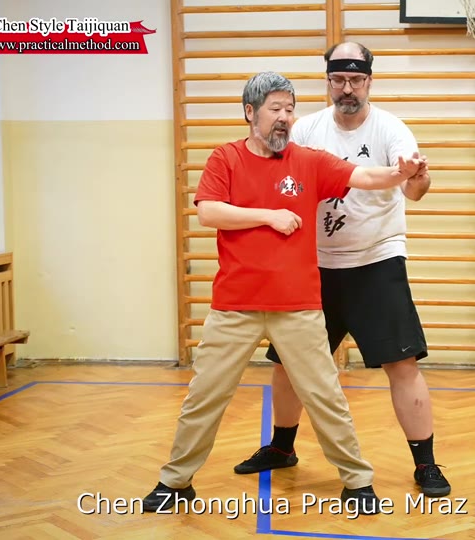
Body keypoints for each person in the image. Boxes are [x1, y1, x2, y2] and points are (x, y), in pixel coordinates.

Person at [141, 71, 427, 515]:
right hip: (235, 305)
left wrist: (399, 173)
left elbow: (365, 177)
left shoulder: (309, 161)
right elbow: (209, 212)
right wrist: (269, 216)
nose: (285, 118)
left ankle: (358, 481)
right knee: (204, 396)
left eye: (290, 110)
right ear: (250, 112)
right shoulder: (226, 158)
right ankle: (175, 481)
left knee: (325, 396)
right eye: (275, 109)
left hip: (298, 306)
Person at [233, 42, 451, 498]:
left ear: (369, 81)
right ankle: (281, 447)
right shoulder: (306, 128)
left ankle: (426, 464)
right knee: (288, 362)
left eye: (355, 80)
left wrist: (417, 176)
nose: (347, 88)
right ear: (328, 81)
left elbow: (414, 189)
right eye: (338, 80)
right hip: (314, 265)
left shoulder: (390, 128)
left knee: (402, 364)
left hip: (376, 260)